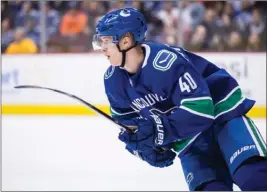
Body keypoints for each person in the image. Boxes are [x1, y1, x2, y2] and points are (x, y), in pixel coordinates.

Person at [92, 8, 267, 191]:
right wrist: (146, 150)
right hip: (188, 141)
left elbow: (202, 110)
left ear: (126, 40)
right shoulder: (113, 81)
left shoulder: (164, 62)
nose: (102, 47)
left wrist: (159, 131)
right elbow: (129, 127)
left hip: (222, 119)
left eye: (106, 41)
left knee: (253, 178)